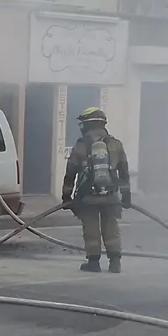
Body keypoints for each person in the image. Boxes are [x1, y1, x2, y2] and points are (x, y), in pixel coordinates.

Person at [62, 107, 132, 273]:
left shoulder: (81, 145)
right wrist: (126, 196)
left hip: (88, 197)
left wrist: (66, 197)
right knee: (111, 227)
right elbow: (124, 172)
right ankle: (115, 263)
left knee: (91, 228)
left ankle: (94, 263)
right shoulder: (116, 145)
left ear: (87, 125)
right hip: (111, 195)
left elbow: (70, 172)